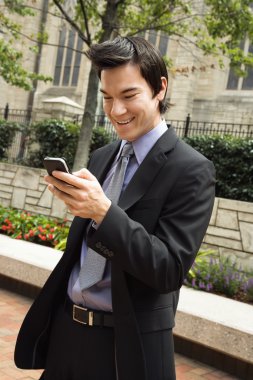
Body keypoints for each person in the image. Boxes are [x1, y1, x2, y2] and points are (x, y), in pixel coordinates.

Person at [15, 36, 215, 380]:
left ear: (159, 89)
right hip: (67, 332)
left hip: (126, 350)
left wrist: (103, 213)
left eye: (128, 95)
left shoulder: (191, 169)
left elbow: (168, 270)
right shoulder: (103, 156)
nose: (115, 111)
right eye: (107, 97)